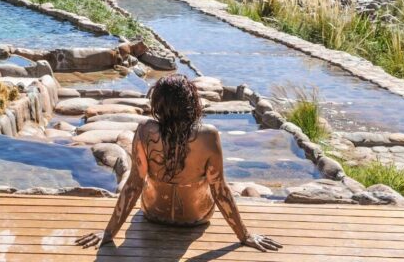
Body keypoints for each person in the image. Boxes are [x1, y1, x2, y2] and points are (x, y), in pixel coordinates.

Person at [76, 75, 282, 252]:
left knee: (145, 179)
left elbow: (133, 185)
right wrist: (244, 236)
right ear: (191, 104)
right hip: (196, 218)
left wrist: (108, 232)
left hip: (154, 214)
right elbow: (220, 189)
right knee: (207, 184)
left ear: (158, 104)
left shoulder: (145, 131)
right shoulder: (207, 135)